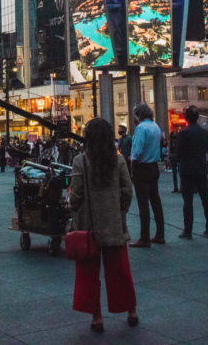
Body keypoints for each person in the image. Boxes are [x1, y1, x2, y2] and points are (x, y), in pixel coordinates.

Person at [69, 117, 138, 333]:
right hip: (114, 224)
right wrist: (120, 211)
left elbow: (76, 197)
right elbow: (127, 191)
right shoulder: (118, 161)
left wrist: (72, 206)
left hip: (88, 227)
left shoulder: (80, 161)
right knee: (120, 270)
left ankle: (97, 317)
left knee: (89, 274)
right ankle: (130, 311)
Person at [128, 103, 165, 247]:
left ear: (138, 115)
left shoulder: (140, 128)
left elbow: (136, 152)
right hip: (154, 166)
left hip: (142, 168)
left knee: (143, 204)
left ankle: (144, 238)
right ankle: (160, 234)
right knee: (156, 201)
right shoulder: (156, 127)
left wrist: (132, 169)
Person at [176, 105, 208, 239]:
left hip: (187, 169)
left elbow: (178, 152)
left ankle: (188, 230)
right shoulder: (203, 131)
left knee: (188, 201)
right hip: (201, 168)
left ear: (186, 117)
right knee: (205, 198)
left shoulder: (183, 132)